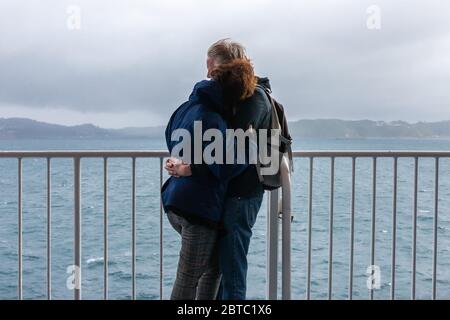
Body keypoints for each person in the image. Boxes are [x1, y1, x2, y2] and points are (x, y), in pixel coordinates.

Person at [166, 39, 272, 300]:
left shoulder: (253, 97)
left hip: (241, 193)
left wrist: (191, 168)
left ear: (224, 67)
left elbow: (228, 155)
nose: (208, 74)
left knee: (231, 270)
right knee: (217, 269)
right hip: (226, 191)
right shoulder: (228, 99)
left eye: (211, 66)